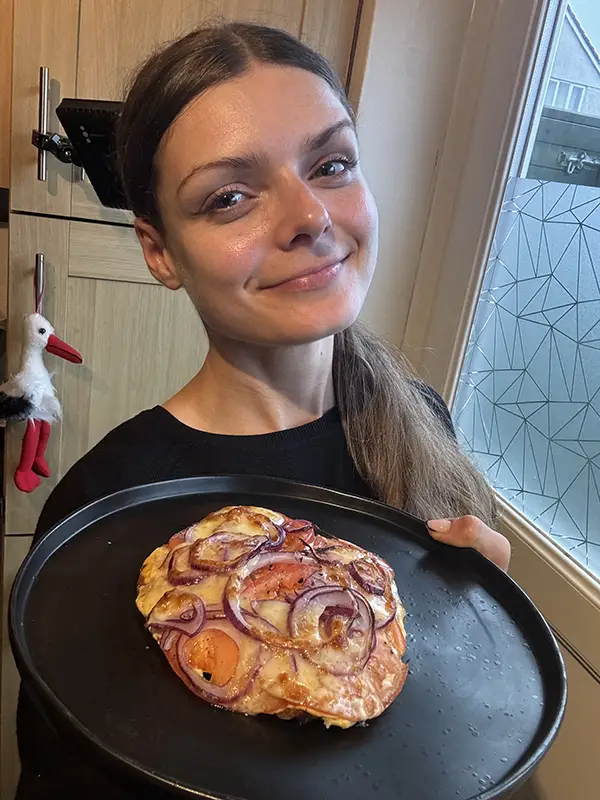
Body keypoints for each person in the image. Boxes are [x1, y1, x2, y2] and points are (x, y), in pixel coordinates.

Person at [15, 22, 510, 799]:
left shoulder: (419, 416)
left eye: (332, 163)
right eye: (231, 196)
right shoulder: (106, 500)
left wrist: (474, 632)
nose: (309, 216)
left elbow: (433, 749)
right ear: (160, 252)